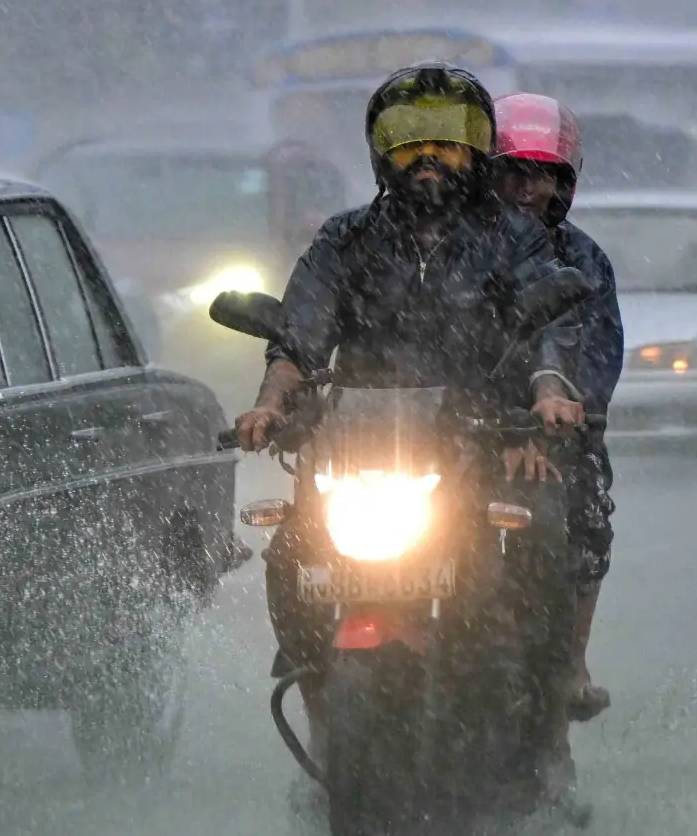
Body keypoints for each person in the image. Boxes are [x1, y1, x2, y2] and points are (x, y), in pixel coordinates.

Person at [236, 64, 584, 780]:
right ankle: (319, 701)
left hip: (479, 445)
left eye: (449, 144)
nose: (429, 160)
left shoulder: (513, 239)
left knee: (546, 533)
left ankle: (545, 726)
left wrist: (548, 396)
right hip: (358, 451)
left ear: (478, 153)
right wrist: (272, 405)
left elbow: (547, 333)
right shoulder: (344, 240)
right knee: (286, 555)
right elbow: (298, 338)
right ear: (379, 152)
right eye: (409, 144)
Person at [491, 93, 622, 721]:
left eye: (540, 174)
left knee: (588, 508)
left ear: (561, 183)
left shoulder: (584, 260)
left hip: (548, 435)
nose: (524, 187)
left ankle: (571, 659)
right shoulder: (452, 251)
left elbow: (596, 357)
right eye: (512, 170)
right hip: (449, 430)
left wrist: (556, 419)